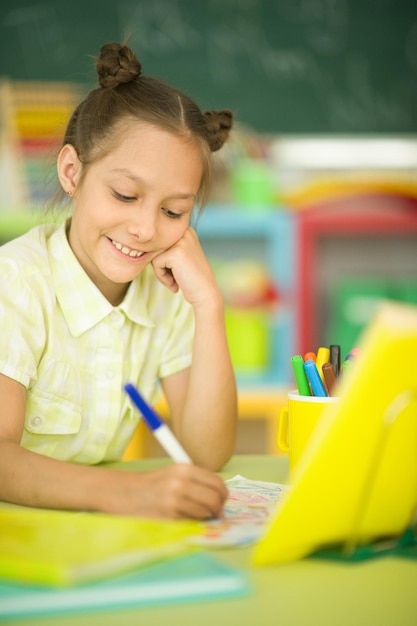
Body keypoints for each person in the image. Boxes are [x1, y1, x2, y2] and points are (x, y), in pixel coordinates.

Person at [0, 42, 237, 520]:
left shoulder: (168, 294)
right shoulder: (16, 283)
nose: (146, 229)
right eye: (125, 195)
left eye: (174, 211)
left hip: (88, 534)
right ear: (72, 172)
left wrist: (209, 306)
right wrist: (126, 493)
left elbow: (207, 454)